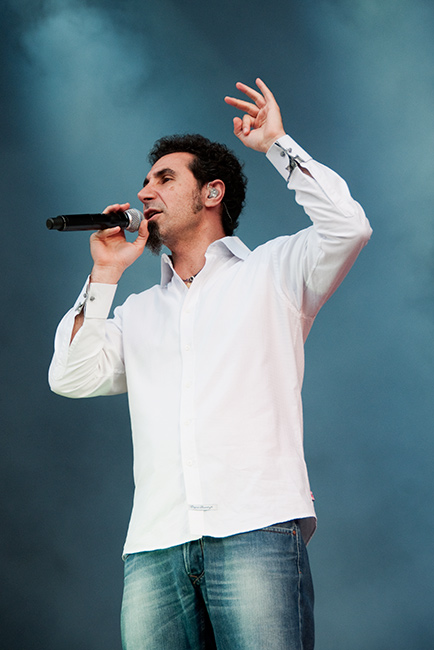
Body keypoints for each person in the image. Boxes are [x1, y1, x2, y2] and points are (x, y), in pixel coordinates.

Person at [49, 78, 372, 650]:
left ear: (212, 192)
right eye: (146, 181)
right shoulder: (138, 310)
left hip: (255, 529)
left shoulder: (274, 272)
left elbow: (349, 227)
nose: (144, 192)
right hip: (155, 544)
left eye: (164, 179)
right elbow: (70, 376)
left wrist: (276, 145)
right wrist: (104, 273)